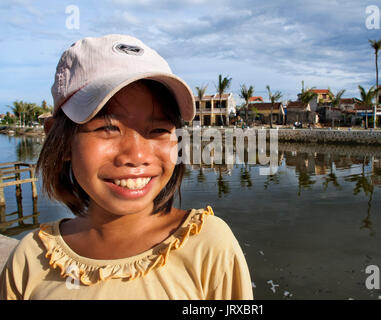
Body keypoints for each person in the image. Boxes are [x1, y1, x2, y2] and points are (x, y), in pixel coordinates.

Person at [0, 34, 253, 300]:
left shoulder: (208, 246)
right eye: (108, 128)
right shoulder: (31, 259)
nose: (137, 155)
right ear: (60, 141)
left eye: (158, 129)